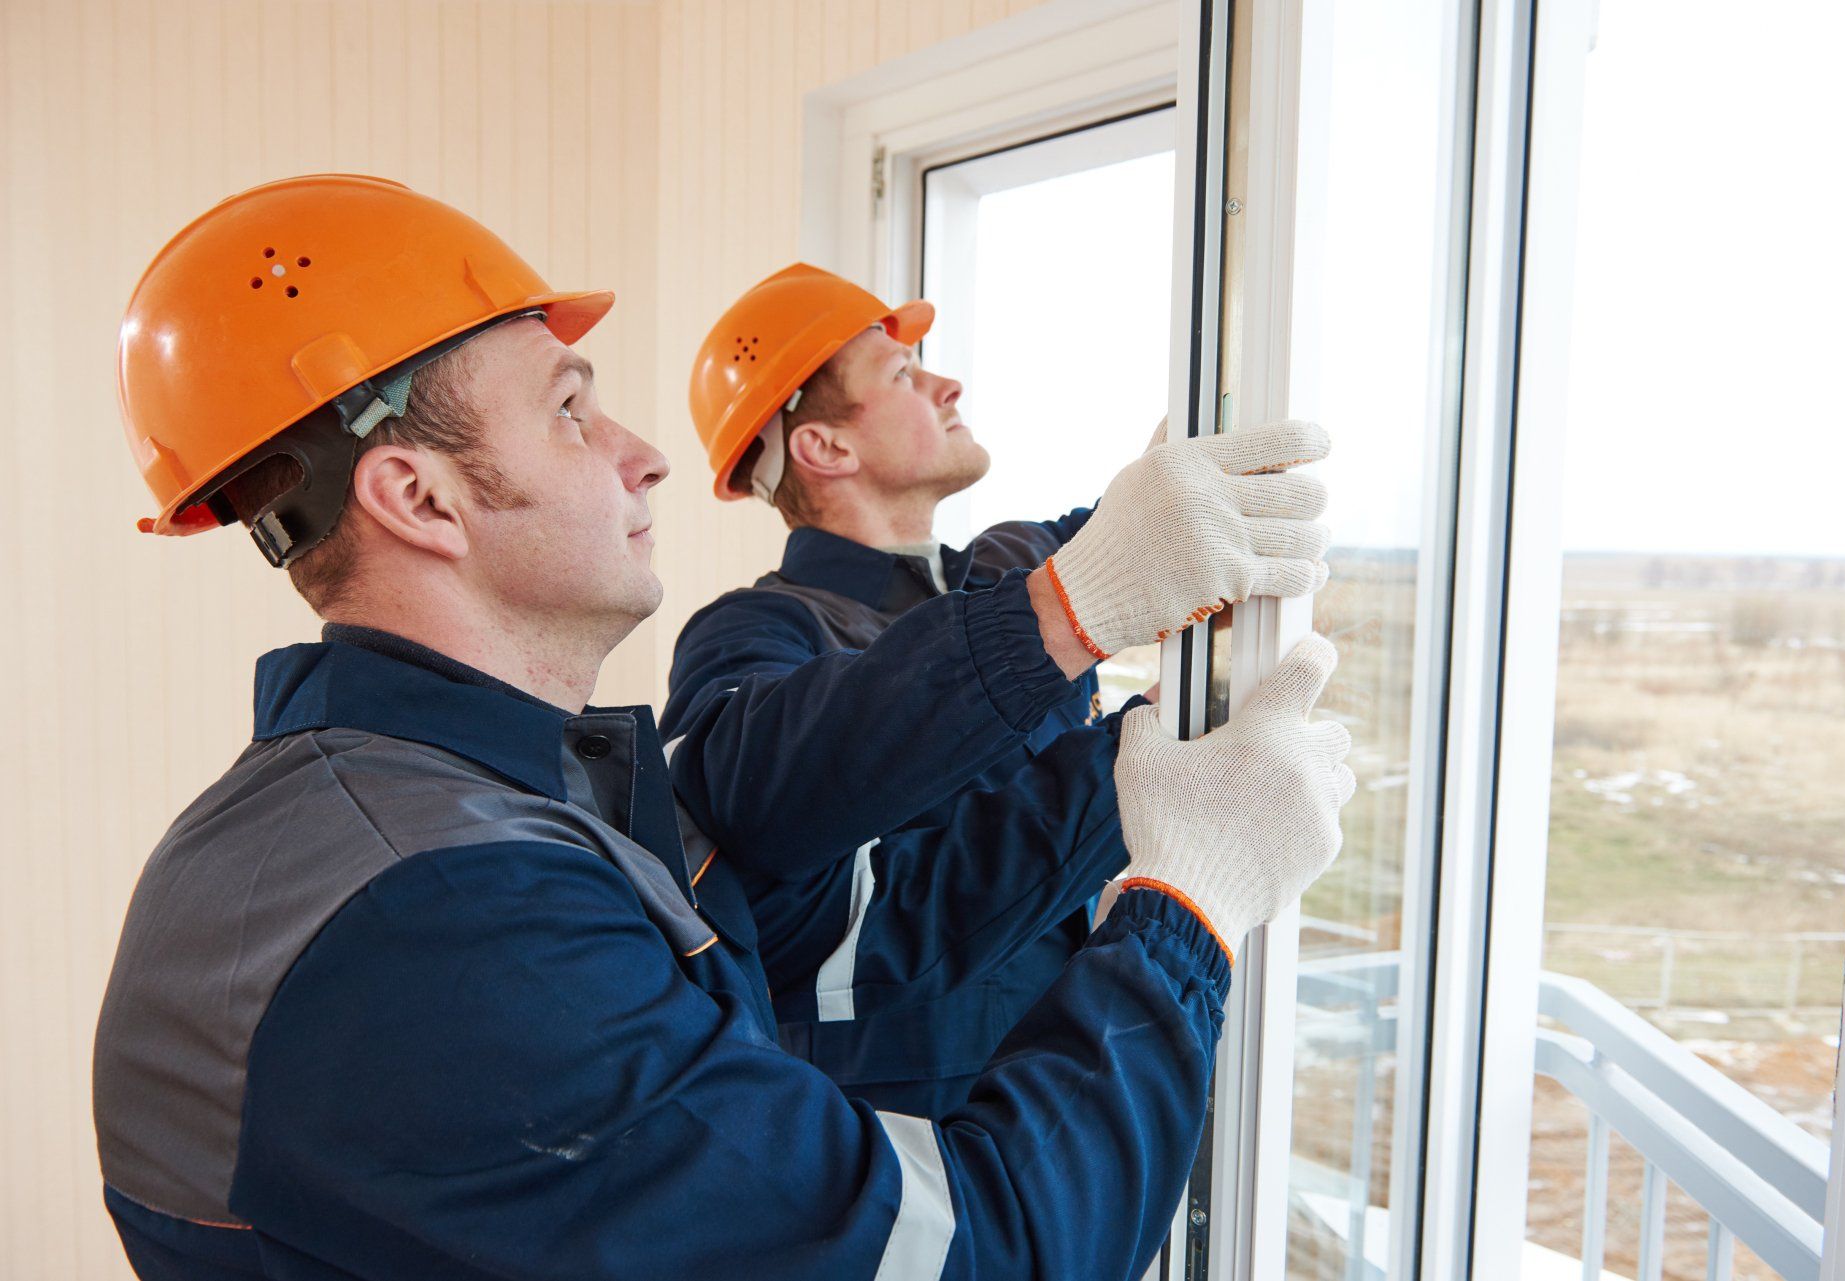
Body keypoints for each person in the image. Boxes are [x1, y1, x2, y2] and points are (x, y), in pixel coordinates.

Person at [94, 174, 1356, 1281]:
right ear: (417, 496)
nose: (643, 458)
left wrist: (1128, 708)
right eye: (574, 408)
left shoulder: (473, 811)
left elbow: (874, 912)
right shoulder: (450, 916)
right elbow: (974, 1255)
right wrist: (1186, 904)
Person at [666, 264, 1332, 1116]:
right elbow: (760, 800)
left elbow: (1163, 523)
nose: (947, 383)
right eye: (904, 375)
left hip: (1064, 1082)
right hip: (912, 1135)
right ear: (824, 447)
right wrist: (1140, 750)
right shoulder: (756, 632)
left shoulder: (1004, 566)